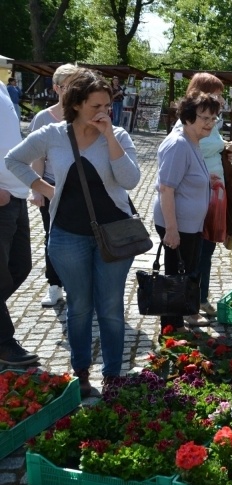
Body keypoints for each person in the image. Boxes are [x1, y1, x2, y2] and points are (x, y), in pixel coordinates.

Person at [6, 71, 141, 396]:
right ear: (77, 104)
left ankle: (113, 377)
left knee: (110, 308)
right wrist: (45, 189)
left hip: (114, 234)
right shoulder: (53, 134)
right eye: (96, 105)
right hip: (67, 237)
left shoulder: (119, 135)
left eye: (107, 105)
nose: (103, 112)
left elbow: (130, 180)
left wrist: (108, 138)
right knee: (79, 307)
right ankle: (81, 376)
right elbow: (14, 160)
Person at [153, 92, 221, 334]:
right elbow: (166, 188)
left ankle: (181, 318)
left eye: (213, 118)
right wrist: (171, 229)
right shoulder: (178, 144)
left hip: (190, 224)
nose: (210, 123)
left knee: (186, 273)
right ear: (188, 117)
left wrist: (206, 180)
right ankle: (171, 328)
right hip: (177, 224)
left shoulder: (193, 141)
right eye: (204, 117)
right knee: (175, 277)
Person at [171, 73, 232, 326]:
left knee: (207, 250)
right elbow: (194, 146)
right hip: (197, 194)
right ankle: (189, 304)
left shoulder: (212, 121)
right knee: (195, 252)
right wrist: (223, 147)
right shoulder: (188, 123)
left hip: (213, 192)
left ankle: (201, 296)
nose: (220, 98)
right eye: (216, 92)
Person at [28, 64, 83, 308]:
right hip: (51, 184)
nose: (72, 90)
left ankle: (76, 284)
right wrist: (36, 189)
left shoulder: (85, 113)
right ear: (56, 88)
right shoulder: (43, 118)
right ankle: (54, 284)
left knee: (81, 235)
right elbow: (36, 156)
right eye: (67, 86)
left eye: (76, 85)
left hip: (80, 186)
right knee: (53, 235)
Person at [0, 81, 38, 367]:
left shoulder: (2, 87)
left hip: (16, 194)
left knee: (20, 266)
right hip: (1, 196)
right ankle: (3, 343)